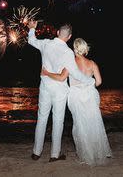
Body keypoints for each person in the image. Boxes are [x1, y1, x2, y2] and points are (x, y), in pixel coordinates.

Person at [26, 20, 94, 162]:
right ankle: (54, 155)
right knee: (58, 121)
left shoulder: (46, 44)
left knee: (42, 119)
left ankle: (36, 152)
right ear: (69, 37)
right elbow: (75, 73)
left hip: (45, 87)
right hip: (60, 90)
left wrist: (32, 28)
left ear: (57, 33)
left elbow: (31, 40)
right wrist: (91, 81)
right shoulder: (68, 52)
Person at [41, 38, 112, 165]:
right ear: (85, 49)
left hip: (75, 96)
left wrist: (47, 73)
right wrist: (88, 85)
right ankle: (97, 152)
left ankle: (86, 155)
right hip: (90, 94)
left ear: (74, 49)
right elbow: (99, 82)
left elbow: (61, 77)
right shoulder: (92, 63)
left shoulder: (71, 63)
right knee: (94, 123)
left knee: (80, 124)